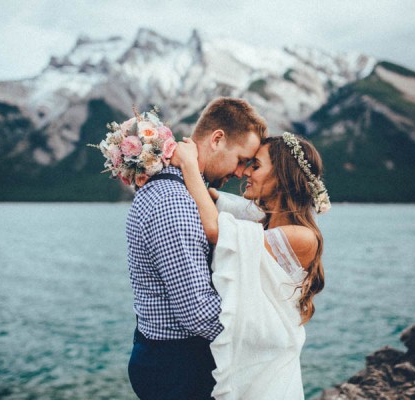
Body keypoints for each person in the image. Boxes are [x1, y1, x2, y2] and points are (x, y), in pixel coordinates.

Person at [126, 97, 268, 399]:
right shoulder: (175, 202)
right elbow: (197, 311)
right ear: (217, 139)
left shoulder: (184, 192)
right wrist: (264, 331)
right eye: (242, 159)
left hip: (167, 359)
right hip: (178, 367)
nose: (242, 172)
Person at [171, 132, 329, 399]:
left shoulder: (302, 236)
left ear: (281, 176)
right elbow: (218, 201)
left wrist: (188, 165)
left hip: (271, 370)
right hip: (258, 357)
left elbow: (215, 229)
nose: (245, 172)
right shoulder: (264, 220)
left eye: (255, 166)